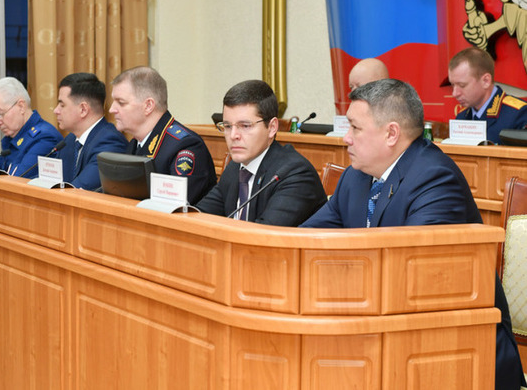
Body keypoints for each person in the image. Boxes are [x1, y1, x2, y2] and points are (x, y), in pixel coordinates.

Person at [301, 78, 525, 390]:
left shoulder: (435, 178)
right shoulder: (355, 177)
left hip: (459, 350)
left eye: (355, 128)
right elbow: (306, 240)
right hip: (385, 332)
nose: (346, 138)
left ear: (391, 133)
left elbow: (412, 275)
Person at [195, 80, 326, 226]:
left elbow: (265, 234)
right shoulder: (235, 168)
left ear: (272, 127)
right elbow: (199, 216)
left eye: (245, 126)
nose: (233, 135)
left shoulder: (295, 174)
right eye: (227, 126)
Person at [109, 66, 216, 204]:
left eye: (121, 103)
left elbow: (172, 206)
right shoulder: (135, 144)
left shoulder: (186, 146)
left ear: (148, 106)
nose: (112, 109)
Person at [53, 73, 128, 190]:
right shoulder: (69, 140)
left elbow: (77, 190)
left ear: (83, 109)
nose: (56, 110)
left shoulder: (110, 143)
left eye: (62, 105)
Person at [0, 77, 63, 178]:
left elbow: (17, 179)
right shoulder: (11, 137)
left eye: (0, 114)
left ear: (21, 106)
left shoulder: (45, 138)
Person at [448, 47, 527, 144]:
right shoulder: (461, 117)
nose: (455, 93)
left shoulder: (519, 114)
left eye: (462, 85)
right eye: (453, 85)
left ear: (486, 81)